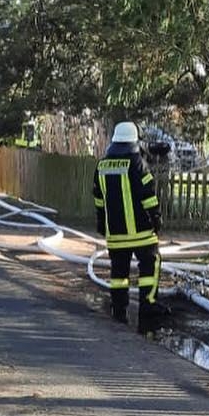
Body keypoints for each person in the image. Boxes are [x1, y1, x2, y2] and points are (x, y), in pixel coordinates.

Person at [93, 120, 163, 324]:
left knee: (119, 273)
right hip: (141, 232)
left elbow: (98, 199)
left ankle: (119, 309)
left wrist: (101, 223)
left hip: (115, 234)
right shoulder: (137, 163)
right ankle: (148, 305)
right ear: (134, 140)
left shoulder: (102, 165)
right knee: (150, 265)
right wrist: (156, 218)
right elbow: (148, 195)